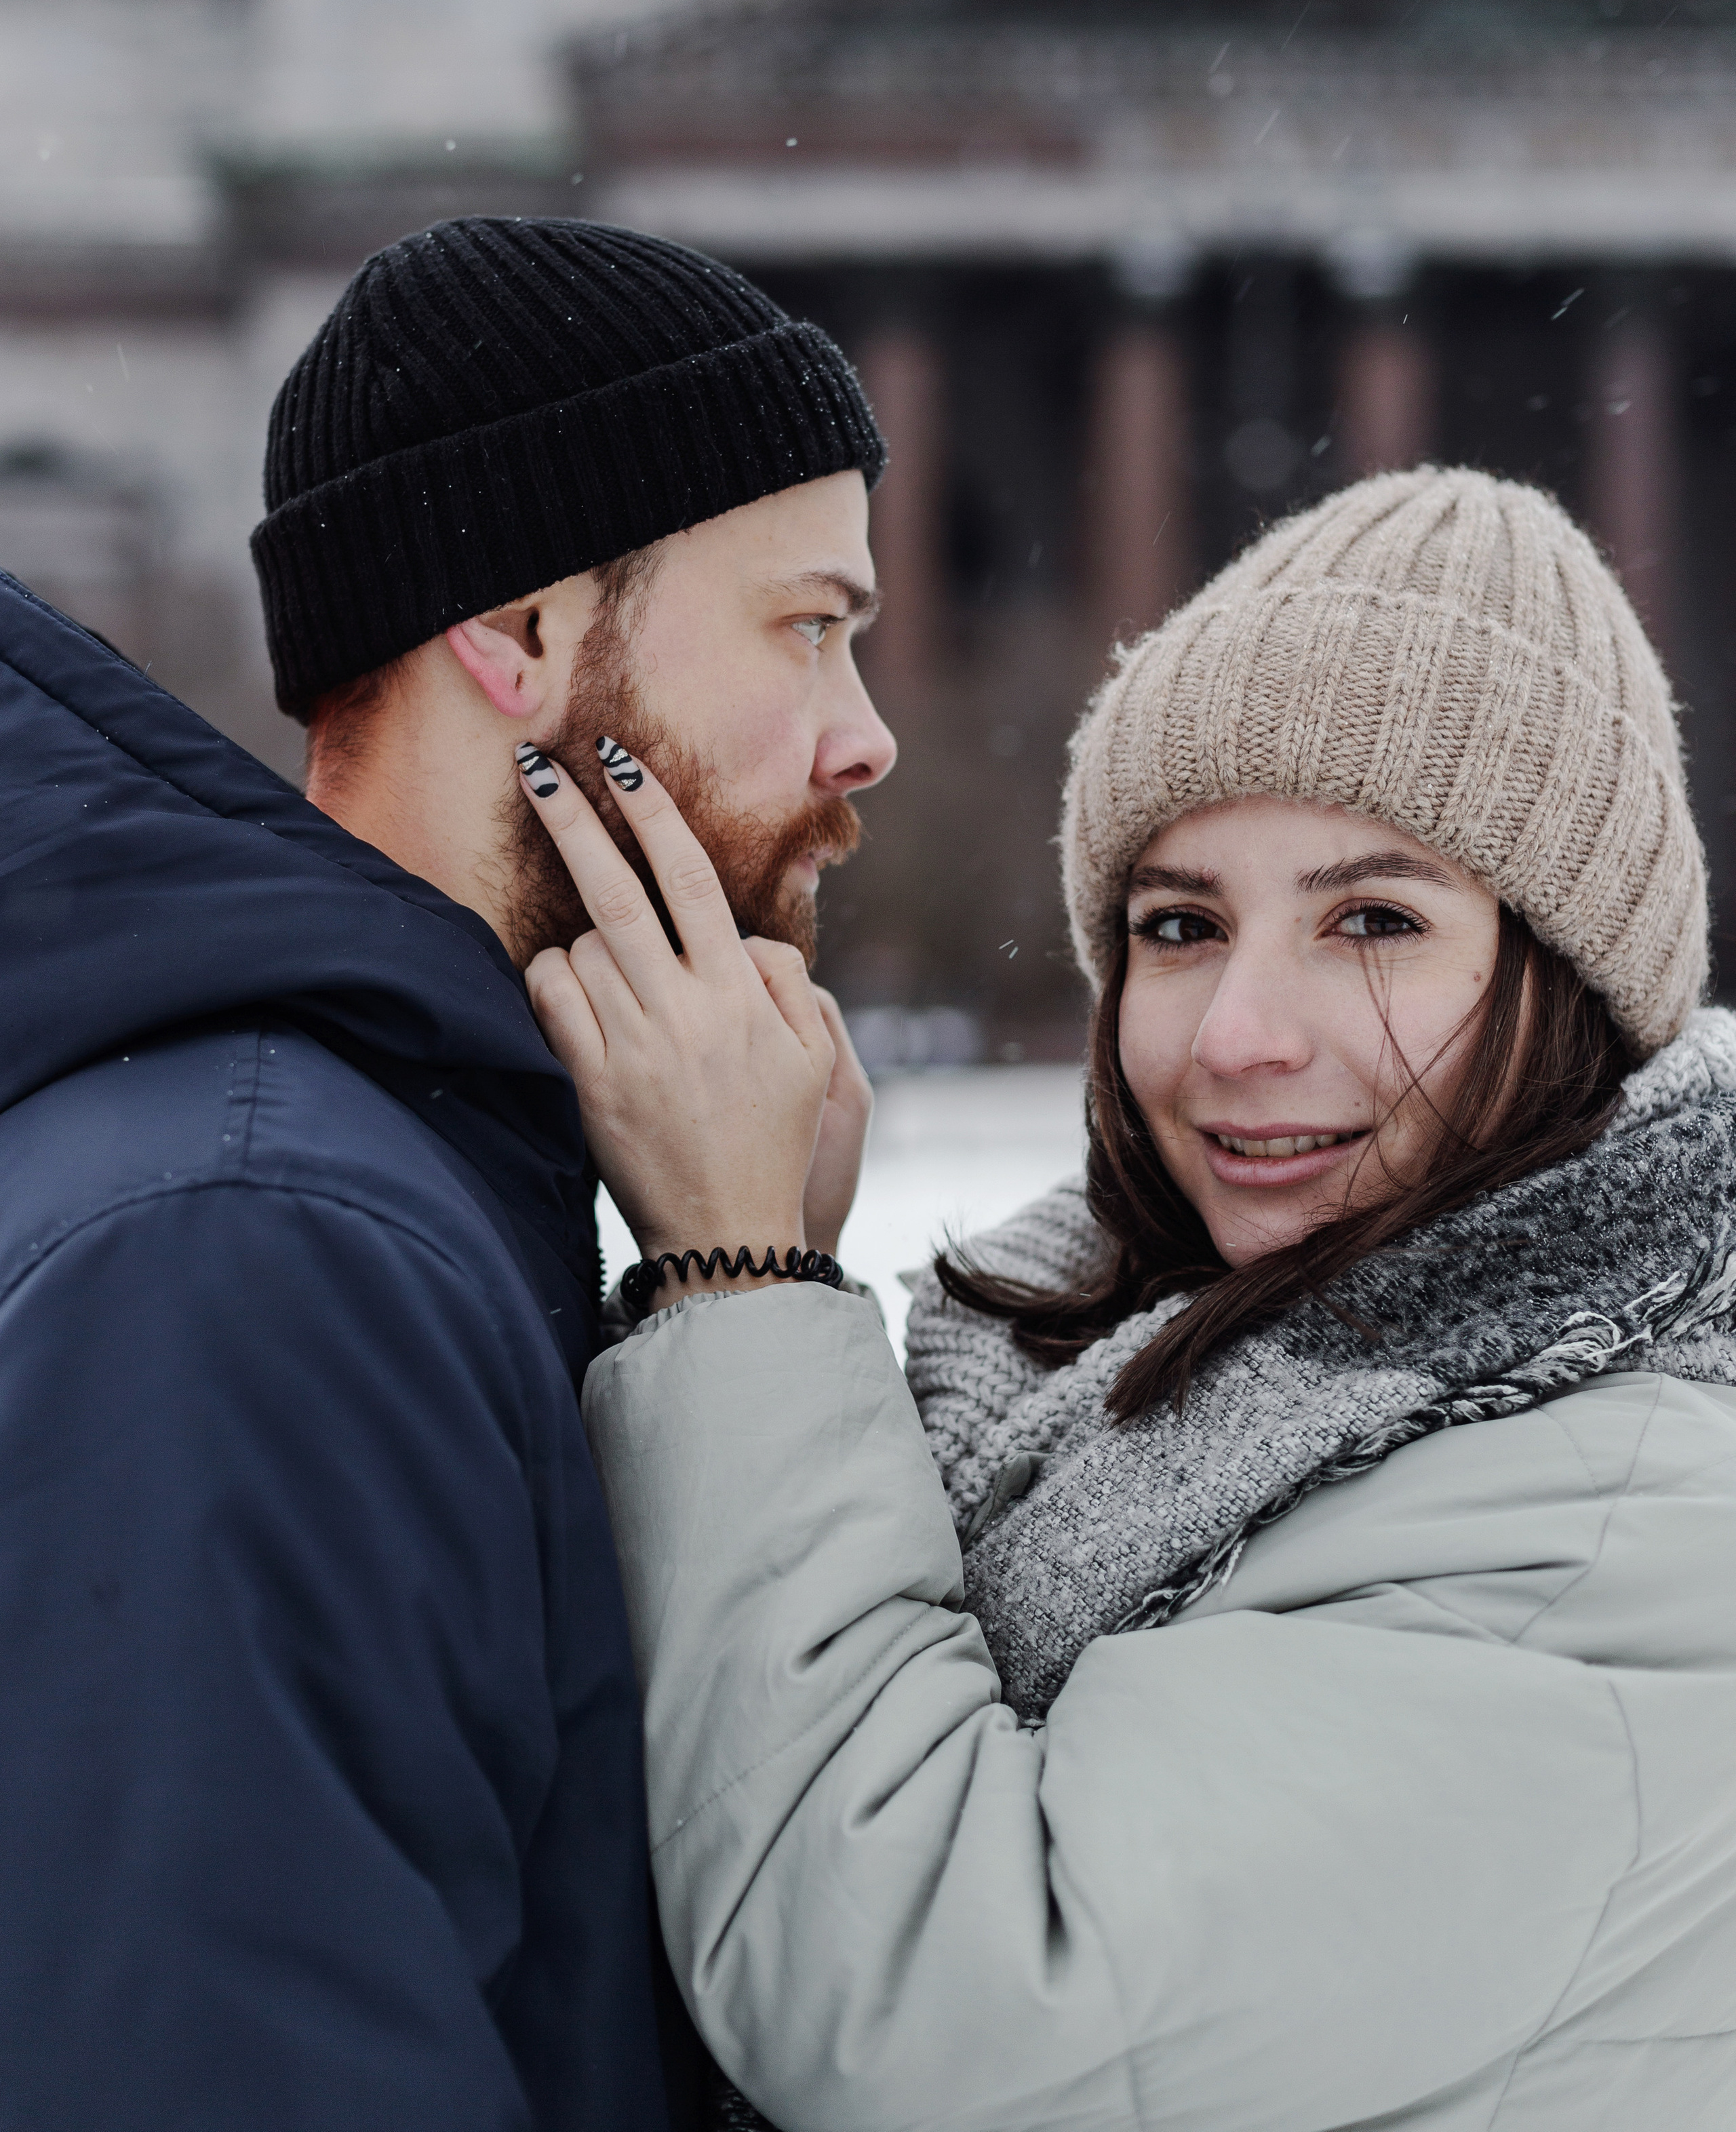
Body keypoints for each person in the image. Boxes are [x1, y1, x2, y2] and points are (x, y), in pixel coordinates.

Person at [525, 465, 1736, 2132]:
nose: (1235, 1032)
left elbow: (928, 2008)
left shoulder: (1612, 1528)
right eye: (1179, 925)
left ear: (1574, 978)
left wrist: (739, 1283)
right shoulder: (1117, 1349)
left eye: (1370, 920)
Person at [0, 216, 893, 2131]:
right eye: (807, 626)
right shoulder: (260, 1250)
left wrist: (733, 1294)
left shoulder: (385, 1169)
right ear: (520, 632)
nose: (869, 736)